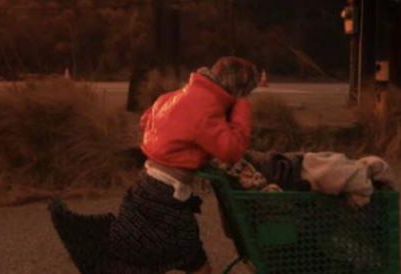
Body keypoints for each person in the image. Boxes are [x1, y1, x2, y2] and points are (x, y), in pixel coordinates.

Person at [49, 56, 259, 274]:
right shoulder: (205, 108)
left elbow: (145, 119)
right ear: (237, 89)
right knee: (193, 261)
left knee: (152, 256)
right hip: (167, 197)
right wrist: (242, 106)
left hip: (148, 185)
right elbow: (231, 150)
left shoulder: (175, 96)